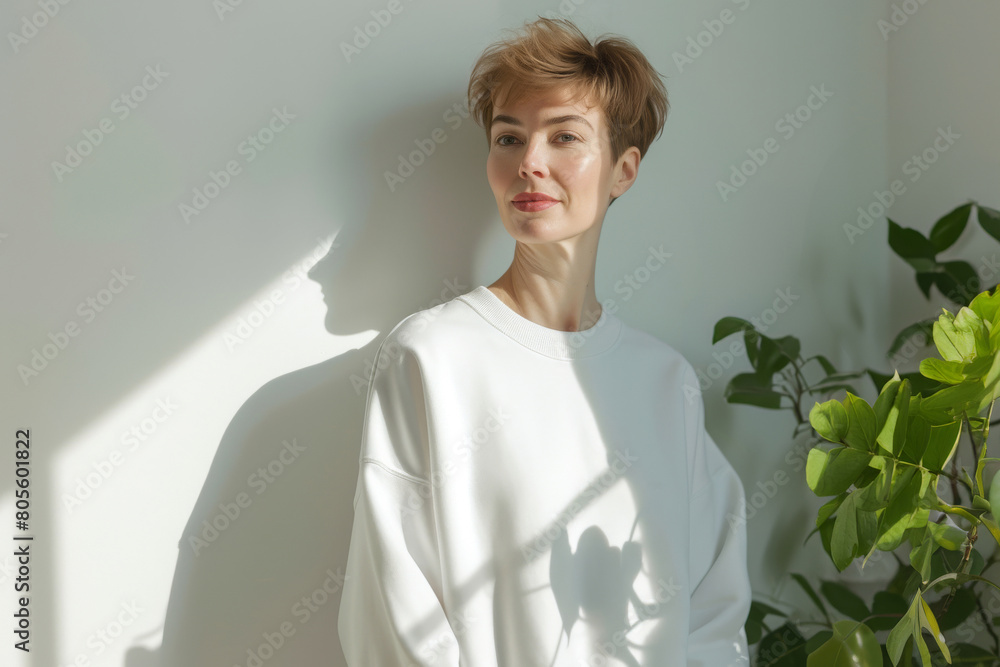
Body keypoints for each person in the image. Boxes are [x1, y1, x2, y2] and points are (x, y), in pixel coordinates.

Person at [338, 16, 751, 666]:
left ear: (623, 170)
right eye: (509, 137)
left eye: (565, 137)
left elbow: (715, 614)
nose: (530, 162)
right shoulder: (431, 359)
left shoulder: (665, 382)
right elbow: (391, 618)